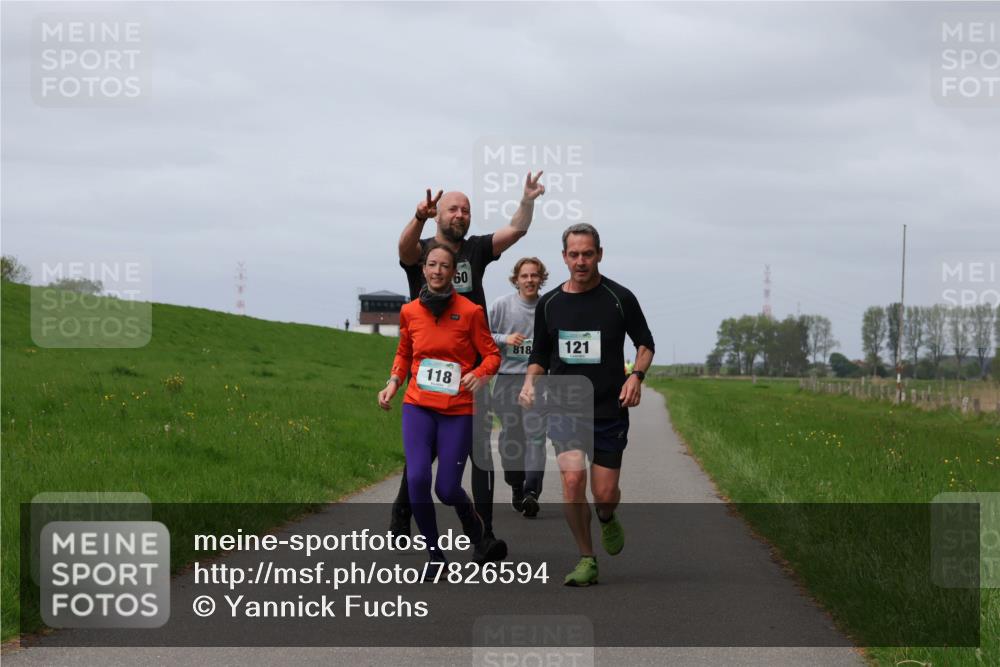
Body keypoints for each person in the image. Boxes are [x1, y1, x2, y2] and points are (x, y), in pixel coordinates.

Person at [391, 174, 545, 563]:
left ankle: (484, 534)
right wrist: (418, 218)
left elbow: (517, 229)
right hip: (428, 363)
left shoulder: (475, 249)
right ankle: (402, 514)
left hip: (470, 369)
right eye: (453, 209)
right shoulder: (424, 252)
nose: (460, 214)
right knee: (422, 455)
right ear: (439, 214)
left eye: (466, 210)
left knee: (478, 452)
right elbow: (404, 248)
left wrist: (526, 200)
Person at [519, 223, 654, 586]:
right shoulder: (549, 304)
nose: (581, 261)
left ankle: (607, 518)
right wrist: (531, 382)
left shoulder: (619, 298)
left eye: (588, 254)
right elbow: (539, 355)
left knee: (605, 495)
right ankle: (586, 558)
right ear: (564, 257)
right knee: (573, 480)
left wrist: (635, 377)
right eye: (574, 254)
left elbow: (645, 343)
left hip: (609, 410)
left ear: (599, 254)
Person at [378, 243, 501, 564]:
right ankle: (435, 555)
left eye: (444, 266)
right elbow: (405, 352)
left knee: (446, 489)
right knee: (418, 479)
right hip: (418, 407)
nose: (437, 271)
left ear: (453, 272)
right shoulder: (410, 311)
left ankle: (472, 522)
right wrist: (393, 382)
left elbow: (492, 355)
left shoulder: (470, 312)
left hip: (457, 411)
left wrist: (480, 373)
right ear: (423, 269)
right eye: (431, 265)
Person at [489, 257, 548, 518]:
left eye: (534, 275)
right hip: (506, 379)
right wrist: (505, 339)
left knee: (535, 437)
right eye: (524, 276)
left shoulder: (548, 307)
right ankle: (516, 484)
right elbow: (480, 334)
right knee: (511, 438)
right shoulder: (501, 306)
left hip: (537, 382)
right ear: (516, 279)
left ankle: (531, 492)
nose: (530, 280)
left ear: (541, 279)